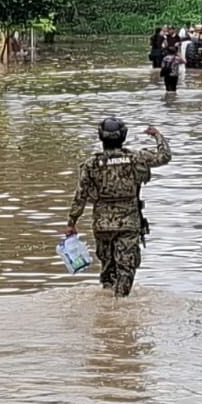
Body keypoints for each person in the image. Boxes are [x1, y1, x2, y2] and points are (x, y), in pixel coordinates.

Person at [65, 118, 172, 297]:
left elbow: (80, 195)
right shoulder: (136, 158)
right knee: (126, 268)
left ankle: (106, 304)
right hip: (128, 224)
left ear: (101, 137)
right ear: (123, 136)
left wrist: (71, 222)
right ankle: (120, 305)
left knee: (108, 268)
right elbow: (165, 156)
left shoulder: (91, 164)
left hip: (102, 225)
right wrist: (157, 136)